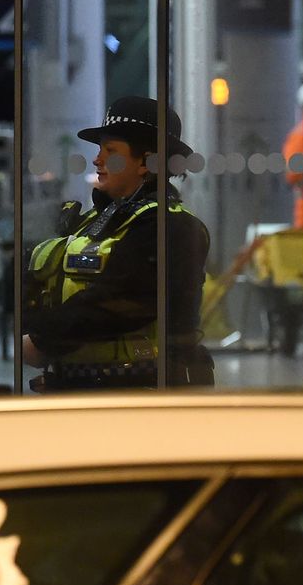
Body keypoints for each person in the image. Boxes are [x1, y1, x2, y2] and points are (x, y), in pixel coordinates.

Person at [21, 95, 213, 390]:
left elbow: (119, 301)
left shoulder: (171, 227)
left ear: (146, 162)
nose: (97, 159)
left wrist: (41, 340)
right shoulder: (92, 222)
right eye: (99, 149)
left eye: (110, 151)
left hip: (143, 398)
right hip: (86, 392)